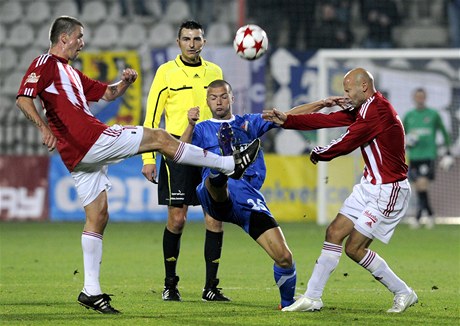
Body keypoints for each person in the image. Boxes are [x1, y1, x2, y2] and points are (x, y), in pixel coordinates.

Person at [15, 16, 260, 314]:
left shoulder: (71, 73)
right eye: (79, 36)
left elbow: (106, 93)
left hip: (77, 154)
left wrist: (125, 82)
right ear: (64, 38)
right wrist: (44, 128)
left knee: (98, 215)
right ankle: (227, 163)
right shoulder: (45, 63)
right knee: (159, 137)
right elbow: (23, 99)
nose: (83, 42)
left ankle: (90, 290)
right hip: (90, 138)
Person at [263, 68, 418, 313]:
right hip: (369, 186)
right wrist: (288, 121)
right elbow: (328, 120)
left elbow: (346, 142)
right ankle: (313, 297)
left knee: (354, 249)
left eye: (348, 90)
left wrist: (319, 152)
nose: (345, 95)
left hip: (389, 190)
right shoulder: (365, 108)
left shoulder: (377, 111)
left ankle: (403, 292)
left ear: (364, 86)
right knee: (334, 232)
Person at [182, 79, 332, 308]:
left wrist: (321, 103)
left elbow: (288, 117)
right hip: (215, 194)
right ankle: (227, 166)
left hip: (246, 197)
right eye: (213, 98)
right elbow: (180, 153)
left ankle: (287, 303)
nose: (219, 101)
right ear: (207, 102)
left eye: (223, 96)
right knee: (215, 181)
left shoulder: (247, 123)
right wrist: (190, 125)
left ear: (232, 98)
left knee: (284, 258)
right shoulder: (201, 128)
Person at [141, 20, 228, 302]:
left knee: (215, 219)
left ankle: (211, 287)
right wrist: (148, 157)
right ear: (178, 42)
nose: (192, 44)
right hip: (176, 150)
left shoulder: (214, 72)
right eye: (187, 39)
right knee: (177, 220)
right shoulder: (166, 72)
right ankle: (170, 284)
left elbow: (221, 111)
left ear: (204, 42)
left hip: (209, 149)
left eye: (197, 39)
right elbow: (152, 117)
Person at [403, 88, 451, 229]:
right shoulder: (409, 116)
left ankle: (418, 217)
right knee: (418, 187)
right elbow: (402, 134)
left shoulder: (433, 114)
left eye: (422, 97)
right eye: (417, 97)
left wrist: (448, 151)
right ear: (414, 98)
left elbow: (444, 131)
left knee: (422, 184)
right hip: (414, 156)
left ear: (425, 98)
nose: (420, 99)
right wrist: (407, 141)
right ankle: (430, 214)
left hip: (428, 155)